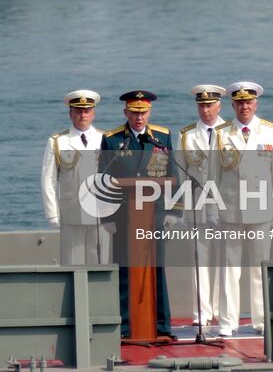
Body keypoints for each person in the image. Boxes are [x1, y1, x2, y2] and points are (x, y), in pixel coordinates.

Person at [101, 90, 175, 339]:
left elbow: (173, 174)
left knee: (158, 268)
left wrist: (174, 210)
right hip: (124, 217)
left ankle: (162, 326)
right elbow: (103, 179)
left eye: (143, 113)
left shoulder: (162, 137)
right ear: (126, 113)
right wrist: (107, 217)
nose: (139, 117)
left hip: (154, 215)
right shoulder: (112, 141)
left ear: (149, 113)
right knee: (124, 271)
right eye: (134, 113)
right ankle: (124, 328)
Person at [214, 82, 273, 337]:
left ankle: (262, 319)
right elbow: (213, 174)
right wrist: (211, 208)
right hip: (230, 208)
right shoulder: (221, 133)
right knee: (229, 268)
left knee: (259, 266)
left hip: (261, 208)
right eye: (239, 102)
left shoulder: (270, 131)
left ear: (256, 104)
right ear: (232, 105)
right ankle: (227, 321)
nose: (244, 106)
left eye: (248, 102)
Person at [178, 84, 228, 337]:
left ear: (219, 106)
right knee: (200, 263)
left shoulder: (230, 133)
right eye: (202, 105)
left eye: (210, 105)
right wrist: (185, 211)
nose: (206, 110)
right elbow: (181, 177)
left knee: (224, 262)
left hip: (225, 207)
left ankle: (222, 311)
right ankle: (202, 313)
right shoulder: (187, 136)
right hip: (197, 207)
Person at [41, 89, 110, 266]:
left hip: (100, 213)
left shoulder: (106, 139)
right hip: (70, 213)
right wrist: (52, 215)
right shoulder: (58, 141)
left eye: (87, 111)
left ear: (93, 113)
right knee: (72, 265)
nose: (83, 115)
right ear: (70, 113)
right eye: (78, 111)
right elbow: (48, 180)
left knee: (100, 264)